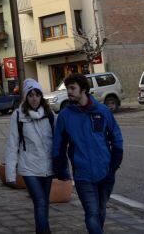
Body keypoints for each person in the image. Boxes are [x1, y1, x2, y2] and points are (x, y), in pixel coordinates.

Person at [53, 73, 124, 234]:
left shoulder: (102, 111)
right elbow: (59, 145)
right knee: (91, 213)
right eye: (67, 88)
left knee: (100, 210)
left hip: (105, 173)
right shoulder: (65, 116)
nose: (69, 92)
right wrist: (60, 170)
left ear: (83, 89)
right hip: (83, 174)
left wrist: (113, 167)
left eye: (72, 88)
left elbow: (117, 139)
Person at [4, 78, 58, 234]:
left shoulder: (50, 114)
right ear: (26, 97)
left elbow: (58, 141)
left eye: (37, 95)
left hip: (48, 166)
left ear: (41, 96)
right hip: (29, 167)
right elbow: (12, 144)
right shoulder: (18, 115)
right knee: (40, 202)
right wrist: (10, 174)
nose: (34, 98)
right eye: (31, 95)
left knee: (43, 203)